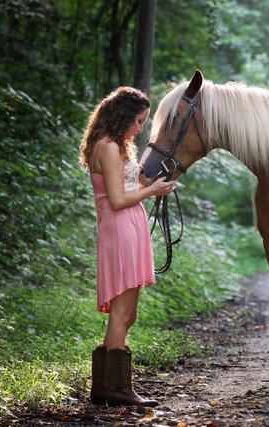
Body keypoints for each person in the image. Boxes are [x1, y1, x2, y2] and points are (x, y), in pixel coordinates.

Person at [78, 87, 175, 407]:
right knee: (121, 312)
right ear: (122, 117)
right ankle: (117, 389)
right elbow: (118, 200)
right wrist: (151, 192)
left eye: (144, 121)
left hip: (130, 227)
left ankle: (106, 386)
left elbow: (131, 185)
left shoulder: (121, 146)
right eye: (137, 120)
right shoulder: (106, 147)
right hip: (119, 228)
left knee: (128, 312)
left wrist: (155, 184)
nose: (140, 127)